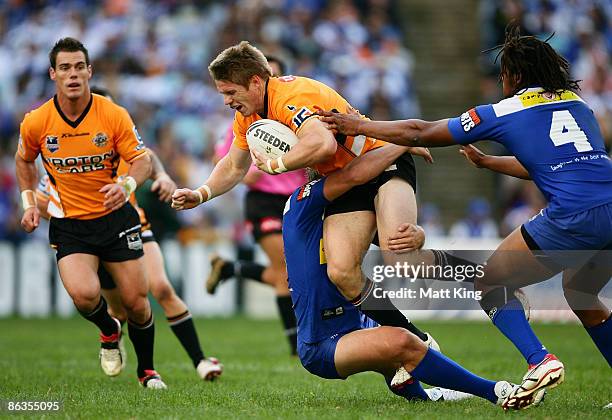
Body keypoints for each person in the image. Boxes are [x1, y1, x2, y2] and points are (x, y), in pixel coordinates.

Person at [317, 24, 612, 407]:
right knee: (582, 293)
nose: (500, 81)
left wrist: (359, 126)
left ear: (515, 76)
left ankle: (540, 360)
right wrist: (489, 162)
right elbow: (555, 165)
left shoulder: (504, 110)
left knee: (491, 282)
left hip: (574, 215)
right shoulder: (577, 104)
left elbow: (419, 131)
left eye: (502, 74)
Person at [172, 41, 436, 350]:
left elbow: (322, 144)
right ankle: (419, 342)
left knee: (401, 261)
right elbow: (233, 165)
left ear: (256, 81)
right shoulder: (249, 114)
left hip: (382, 161)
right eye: (223, 94)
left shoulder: (291, 97)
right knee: (342, 272)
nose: (228, 101)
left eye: (231, 93)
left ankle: (417, 240)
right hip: (345, 180)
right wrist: (200, 193)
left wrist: (276, 165)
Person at [270, 143, 543, 410]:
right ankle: (497, 392)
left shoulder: (345, 216)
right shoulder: (302, 199)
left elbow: (396, 245)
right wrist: (402, 142)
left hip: (361, 320)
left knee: (397, 344)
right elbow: (355, 173)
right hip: (322, 342)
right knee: (403, 342)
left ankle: (423, 394)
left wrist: (418, 235)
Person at [35, 86, 224, 381]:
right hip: (88, 236)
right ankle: (113, 336)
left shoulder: (123, 140)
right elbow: (41, 196)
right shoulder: (72, 156)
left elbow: (149, 158)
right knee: (119, 309)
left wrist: (162, 177)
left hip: (133, 228)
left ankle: (198, 361)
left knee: (160, 288)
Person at [15, 38, 166, 388]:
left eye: (79, 66)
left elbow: (142, 160)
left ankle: (147, 371)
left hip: (116, 219)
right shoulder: (37, 121)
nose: (73, 74)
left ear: (89, 71)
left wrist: (125, 186)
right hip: (70, 224)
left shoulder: (112, 114)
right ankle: (109, 331)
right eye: (65, 68)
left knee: (137, 304)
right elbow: (23, 159)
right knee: (84, 296)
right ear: (53, 74)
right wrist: (28, 203)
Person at [207, 56, 305, 355]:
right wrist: (254, 173)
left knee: (291, 271)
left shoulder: (294, 115)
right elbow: (225, 163)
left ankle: (229, 268)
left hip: (298, 198)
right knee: (285, 272)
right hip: (263, 202)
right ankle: (296, 345)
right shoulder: (244, 123)